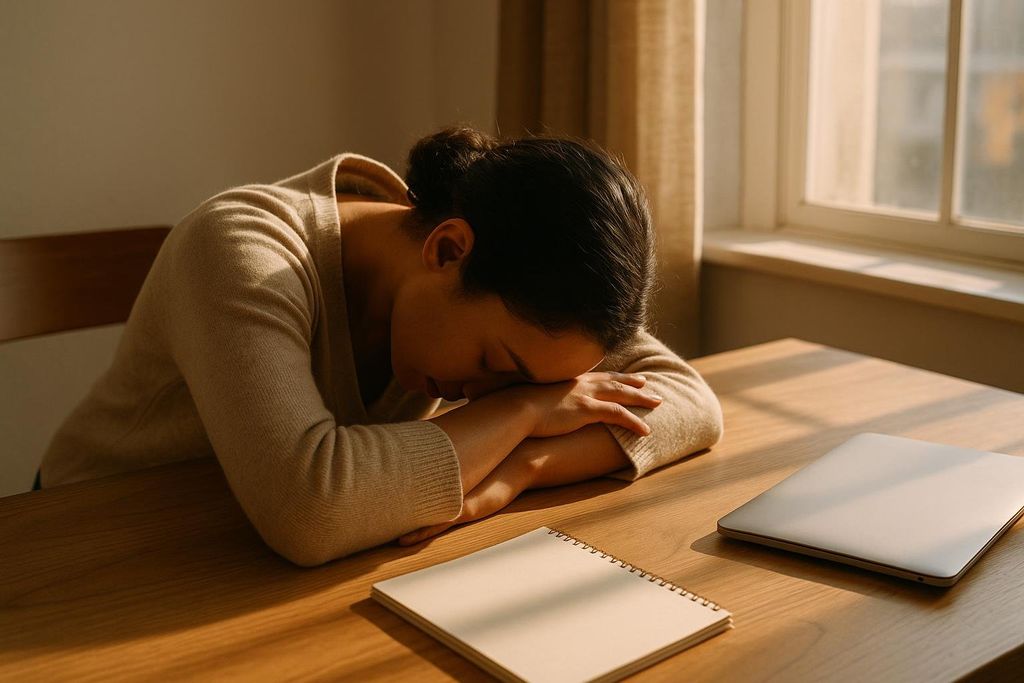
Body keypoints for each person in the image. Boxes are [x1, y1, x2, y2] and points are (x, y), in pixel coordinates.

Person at [37, 125, 724, 566]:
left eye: (530, 387)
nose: (488, 392)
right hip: (82, 552)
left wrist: (530, 466)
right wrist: (523, 415)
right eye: (497, 366)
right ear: (447, 247)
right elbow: (311, 506)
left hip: (243, 567)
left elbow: (692, 403)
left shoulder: (530, 293)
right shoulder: (240, 246)